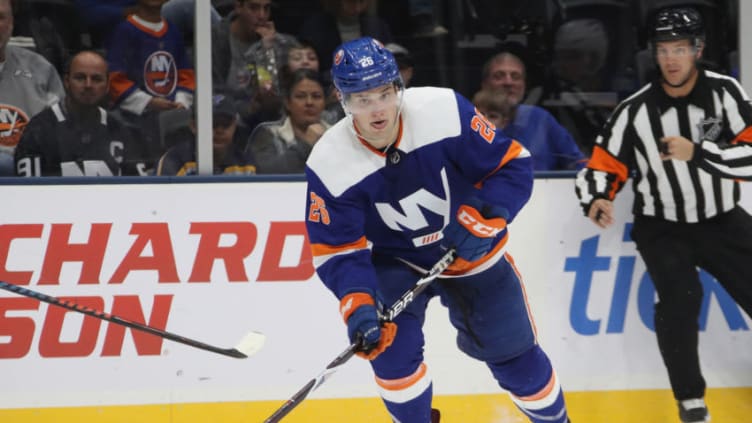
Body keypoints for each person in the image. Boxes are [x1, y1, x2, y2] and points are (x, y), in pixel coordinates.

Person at [304, 37, 571, 423]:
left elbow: (511, 165)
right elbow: (338, 249)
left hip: (472, 251)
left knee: (516, 358)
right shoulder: (329, 163)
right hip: (397, 262)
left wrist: (486, 216)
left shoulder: (444, 110)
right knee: (392, 359)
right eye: (362, 99)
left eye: (384, 93)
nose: (377, 109)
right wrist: (358, 303)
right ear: (342, 99)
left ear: (399, 86)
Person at [574, 7, 752, 423]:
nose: (671, 58)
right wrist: (597, 197)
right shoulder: (634, 110)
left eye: (680, 48)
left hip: (721, 218)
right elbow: (601, 165)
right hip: (662, 227)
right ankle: (691, 402)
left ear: (698, 50)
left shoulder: (725, 93)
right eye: (663, 49)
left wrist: (701, 153)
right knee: (680, 298)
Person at [14, 51, 145, 176]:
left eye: (96, 79)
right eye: (80, 78)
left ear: (107, 86)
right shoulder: (39, 130)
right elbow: (30, 191)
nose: (88, 85)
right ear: (66, 82)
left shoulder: (121, 131)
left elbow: (139, 189)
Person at [106, 0, 195, 171]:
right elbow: (115, 78)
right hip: (134, 121)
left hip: (173, 119)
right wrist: (148, 102)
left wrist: (181, 101)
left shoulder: (173, 31)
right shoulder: (125, 31)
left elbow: (186, 74)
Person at [479, 49, 585, 171]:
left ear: (524, 85)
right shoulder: (470, 119)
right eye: (499, 76)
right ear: (485, 84)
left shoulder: (541, 119)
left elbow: (578, 163)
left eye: (515, 77)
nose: (508, 82)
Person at [0, 0, 65, 176]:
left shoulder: (41, 69)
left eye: (1, 17)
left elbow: (62, 130)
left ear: (11, 23)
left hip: (32, 178)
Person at [212, 0, 298, 131]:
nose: (262, 16)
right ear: (238, 7)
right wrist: (247, 109)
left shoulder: (282, 44)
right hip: (227, 122)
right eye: (254, 8)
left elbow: (277, 91)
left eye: (266, 8)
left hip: (271, 122)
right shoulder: (215, 38)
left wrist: (269, 49)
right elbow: (213, 95)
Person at [247, 68, 330, 174]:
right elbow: (265, 171)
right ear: (287, 103)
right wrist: (305, 145)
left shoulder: (338, 134)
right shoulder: (268, 133)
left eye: (316, 96)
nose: (309, 102)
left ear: (324, 103)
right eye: (300, 96)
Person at [156, 93, 256, 176]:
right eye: (213, 123)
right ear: (194, 126)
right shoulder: (175, 160)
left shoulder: (245, 163)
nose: (220, 130)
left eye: (226, 124)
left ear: (234, 126)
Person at [299, 0, 392, 76]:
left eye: (362, 1)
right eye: (351, 2)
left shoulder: (377, 25)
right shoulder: (315, 27)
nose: (357, 7)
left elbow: (388, 56)